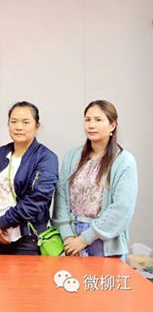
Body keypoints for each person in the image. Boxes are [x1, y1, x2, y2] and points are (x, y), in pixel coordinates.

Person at [52, 100, 137, 258]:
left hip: (103, 240)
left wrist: (84, 239)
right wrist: (68, 236)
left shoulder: (124, 161)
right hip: (72, 239)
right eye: (87, 119)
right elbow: (61, 196)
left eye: (98, 120)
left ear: (112, 125)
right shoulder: (72, 156)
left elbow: (122, 209)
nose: (91, 125)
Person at [0, 101, 58, 255]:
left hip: (27, 239)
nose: (19, 127)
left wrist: (2, 223)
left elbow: (38, 199)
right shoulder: (0, 153)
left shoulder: (46, 158)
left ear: (37, 126)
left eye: (25, 122)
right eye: (14, 122)